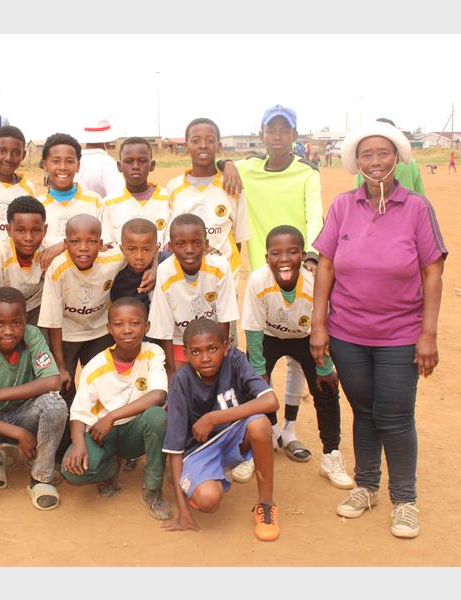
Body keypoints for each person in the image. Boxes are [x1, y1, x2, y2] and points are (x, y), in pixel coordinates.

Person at [311, 120, 447, 539]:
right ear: (355, 162)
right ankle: (367, 486)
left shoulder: (417, 208)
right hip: (348, 332)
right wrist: (319, 325)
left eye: (382, 153)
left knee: (396, 416)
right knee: (364, 412)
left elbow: (433, 271)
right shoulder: (342, 206)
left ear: (397, 158)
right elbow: (327, 266)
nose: (375, 162)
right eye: (366, 155)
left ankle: (404, 500)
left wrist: (428, 334)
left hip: (400, 334)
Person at [229, 104, 324, 482]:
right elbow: (220, 160)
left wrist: (312, 255)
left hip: (297, 269)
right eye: (272, 130)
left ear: (295, 137)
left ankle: (290, 429)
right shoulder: (248, 169)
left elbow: (314, 213)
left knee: (300, 352)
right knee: (260, 360)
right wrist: (227, 165)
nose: (279, 136)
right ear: (263, 134)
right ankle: (264, 431)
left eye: (286, 130)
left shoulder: (306, 174)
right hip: (259, 275)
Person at [240, 225, 353, 489]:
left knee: (326, 390)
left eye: (292, 252)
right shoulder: (258, 280)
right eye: (275, 253)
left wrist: (325, 367)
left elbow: (323, 325)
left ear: (303, 256)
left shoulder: (313, 281)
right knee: (254, 390)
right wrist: (258, 370)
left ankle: (330, 454)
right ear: (266, 257)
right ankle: (254, 448)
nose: (284, 259)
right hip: (268, 336)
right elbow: (253, 328)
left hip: (307, 337)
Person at [161, 318, 280, 541]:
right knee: (208, 501)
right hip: (199, 450)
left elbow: (270, 401)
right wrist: (182, 511)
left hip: (233, 435)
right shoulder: (181, 382)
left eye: (213, 349)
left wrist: (214, 417)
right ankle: (195, 483)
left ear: (225, 346)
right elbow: (175, 451)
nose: (205, 358)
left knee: (260, 424)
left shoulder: (235, 359)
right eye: (196, 352)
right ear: (186, 354)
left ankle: (265, 507)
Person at [0, 286, 67, 510]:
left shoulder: (33, 336)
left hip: (23, 413)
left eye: (16, 323)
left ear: (25, 319)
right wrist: (18, 433)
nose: (8, 331)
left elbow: (53, 381)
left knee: (55, 405)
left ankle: (40, 478)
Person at [62, 297, 172, 520]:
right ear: (109, 329)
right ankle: (112, 466)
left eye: (135, 323)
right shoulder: (95, 367)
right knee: (72, 471)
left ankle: (152, 490)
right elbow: (78, 413)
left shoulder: (153, 353)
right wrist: (78, 444)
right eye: (119, 324)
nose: (127, 330)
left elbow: (158, 395)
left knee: (157, 417)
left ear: (146, 326)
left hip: (135, 431)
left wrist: (111, 417)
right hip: (104, 435)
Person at [37, 215, 134, 454]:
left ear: (101, 244)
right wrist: (60, 365)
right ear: (66, 243)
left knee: (104, 385)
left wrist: (152, 268)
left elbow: (145, 251)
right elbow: (53, 322)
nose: (83, 248)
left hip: (99, 331)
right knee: (63, 387)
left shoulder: (112, 259)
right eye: (75, 241)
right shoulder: (58, 268)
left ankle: (103, 444)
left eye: (91, 242)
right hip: (67, 334)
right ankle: (61, 448)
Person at [148, 214, 238, 379]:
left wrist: (222, 351)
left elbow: (225, 316)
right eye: (181, 244)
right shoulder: (165, 270)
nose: (189, 250)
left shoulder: (220, 267)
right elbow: (164, 326)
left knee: (220, 379)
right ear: (171, 247)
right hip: (179, 341)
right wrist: (171, 368)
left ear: (206, 245)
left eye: (197, 243)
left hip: (211, 340)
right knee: (179, 381)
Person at [167, 118, 249, 287]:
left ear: (219, 146)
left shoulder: (233, 185)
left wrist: (222, 262)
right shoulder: (174, 187)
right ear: (187, 146)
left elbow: (237, 239)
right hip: (186, 276)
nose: (203, 145)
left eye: (210, 140)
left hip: (225, 275)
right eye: (195, 141)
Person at [0, 196, 48, 325]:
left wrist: (59, 247)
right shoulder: (0, 253)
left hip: (36, 309)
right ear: (9, 230)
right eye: (20, 230)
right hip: (6, 313)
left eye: (36, 230)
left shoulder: (47, 248)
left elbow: (72, 243)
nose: (29, 238)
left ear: (45, 230)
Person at [37, 133, 103, 250]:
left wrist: (63, 246)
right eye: (56, 161)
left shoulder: (94, 201)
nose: (63, 167)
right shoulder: (37, 206)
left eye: (69, 161)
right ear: (45, 165)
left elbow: (105, 245)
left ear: (78, 166)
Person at [101, 136, 170, 246]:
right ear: (119, 166)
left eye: (142, 161)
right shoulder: (108, 204)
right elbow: (107, 245)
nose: (136, 166)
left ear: (152, 166)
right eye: (129, 161)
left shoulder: (168, 199)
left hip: (162, 261)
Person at [354, 118, 424, 195]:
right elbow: (420, 193)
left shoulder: (365, 165)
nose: (376, 162)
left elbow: (358, 192)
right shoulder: (410, 162)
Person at [111, 218, 164, 316]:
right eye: (132, 249)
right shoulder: (114, 270)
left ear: (156, 250)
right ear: (122, 249)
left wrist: (156, 267)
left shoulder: (165, 265)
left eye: (146, 250)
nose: (139, 257)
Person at [74, 119, 124, 200]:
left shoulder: (73, 161)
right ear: (107, 140)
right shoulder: (108, 163)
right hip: (98, 211)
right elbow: (117, 197)